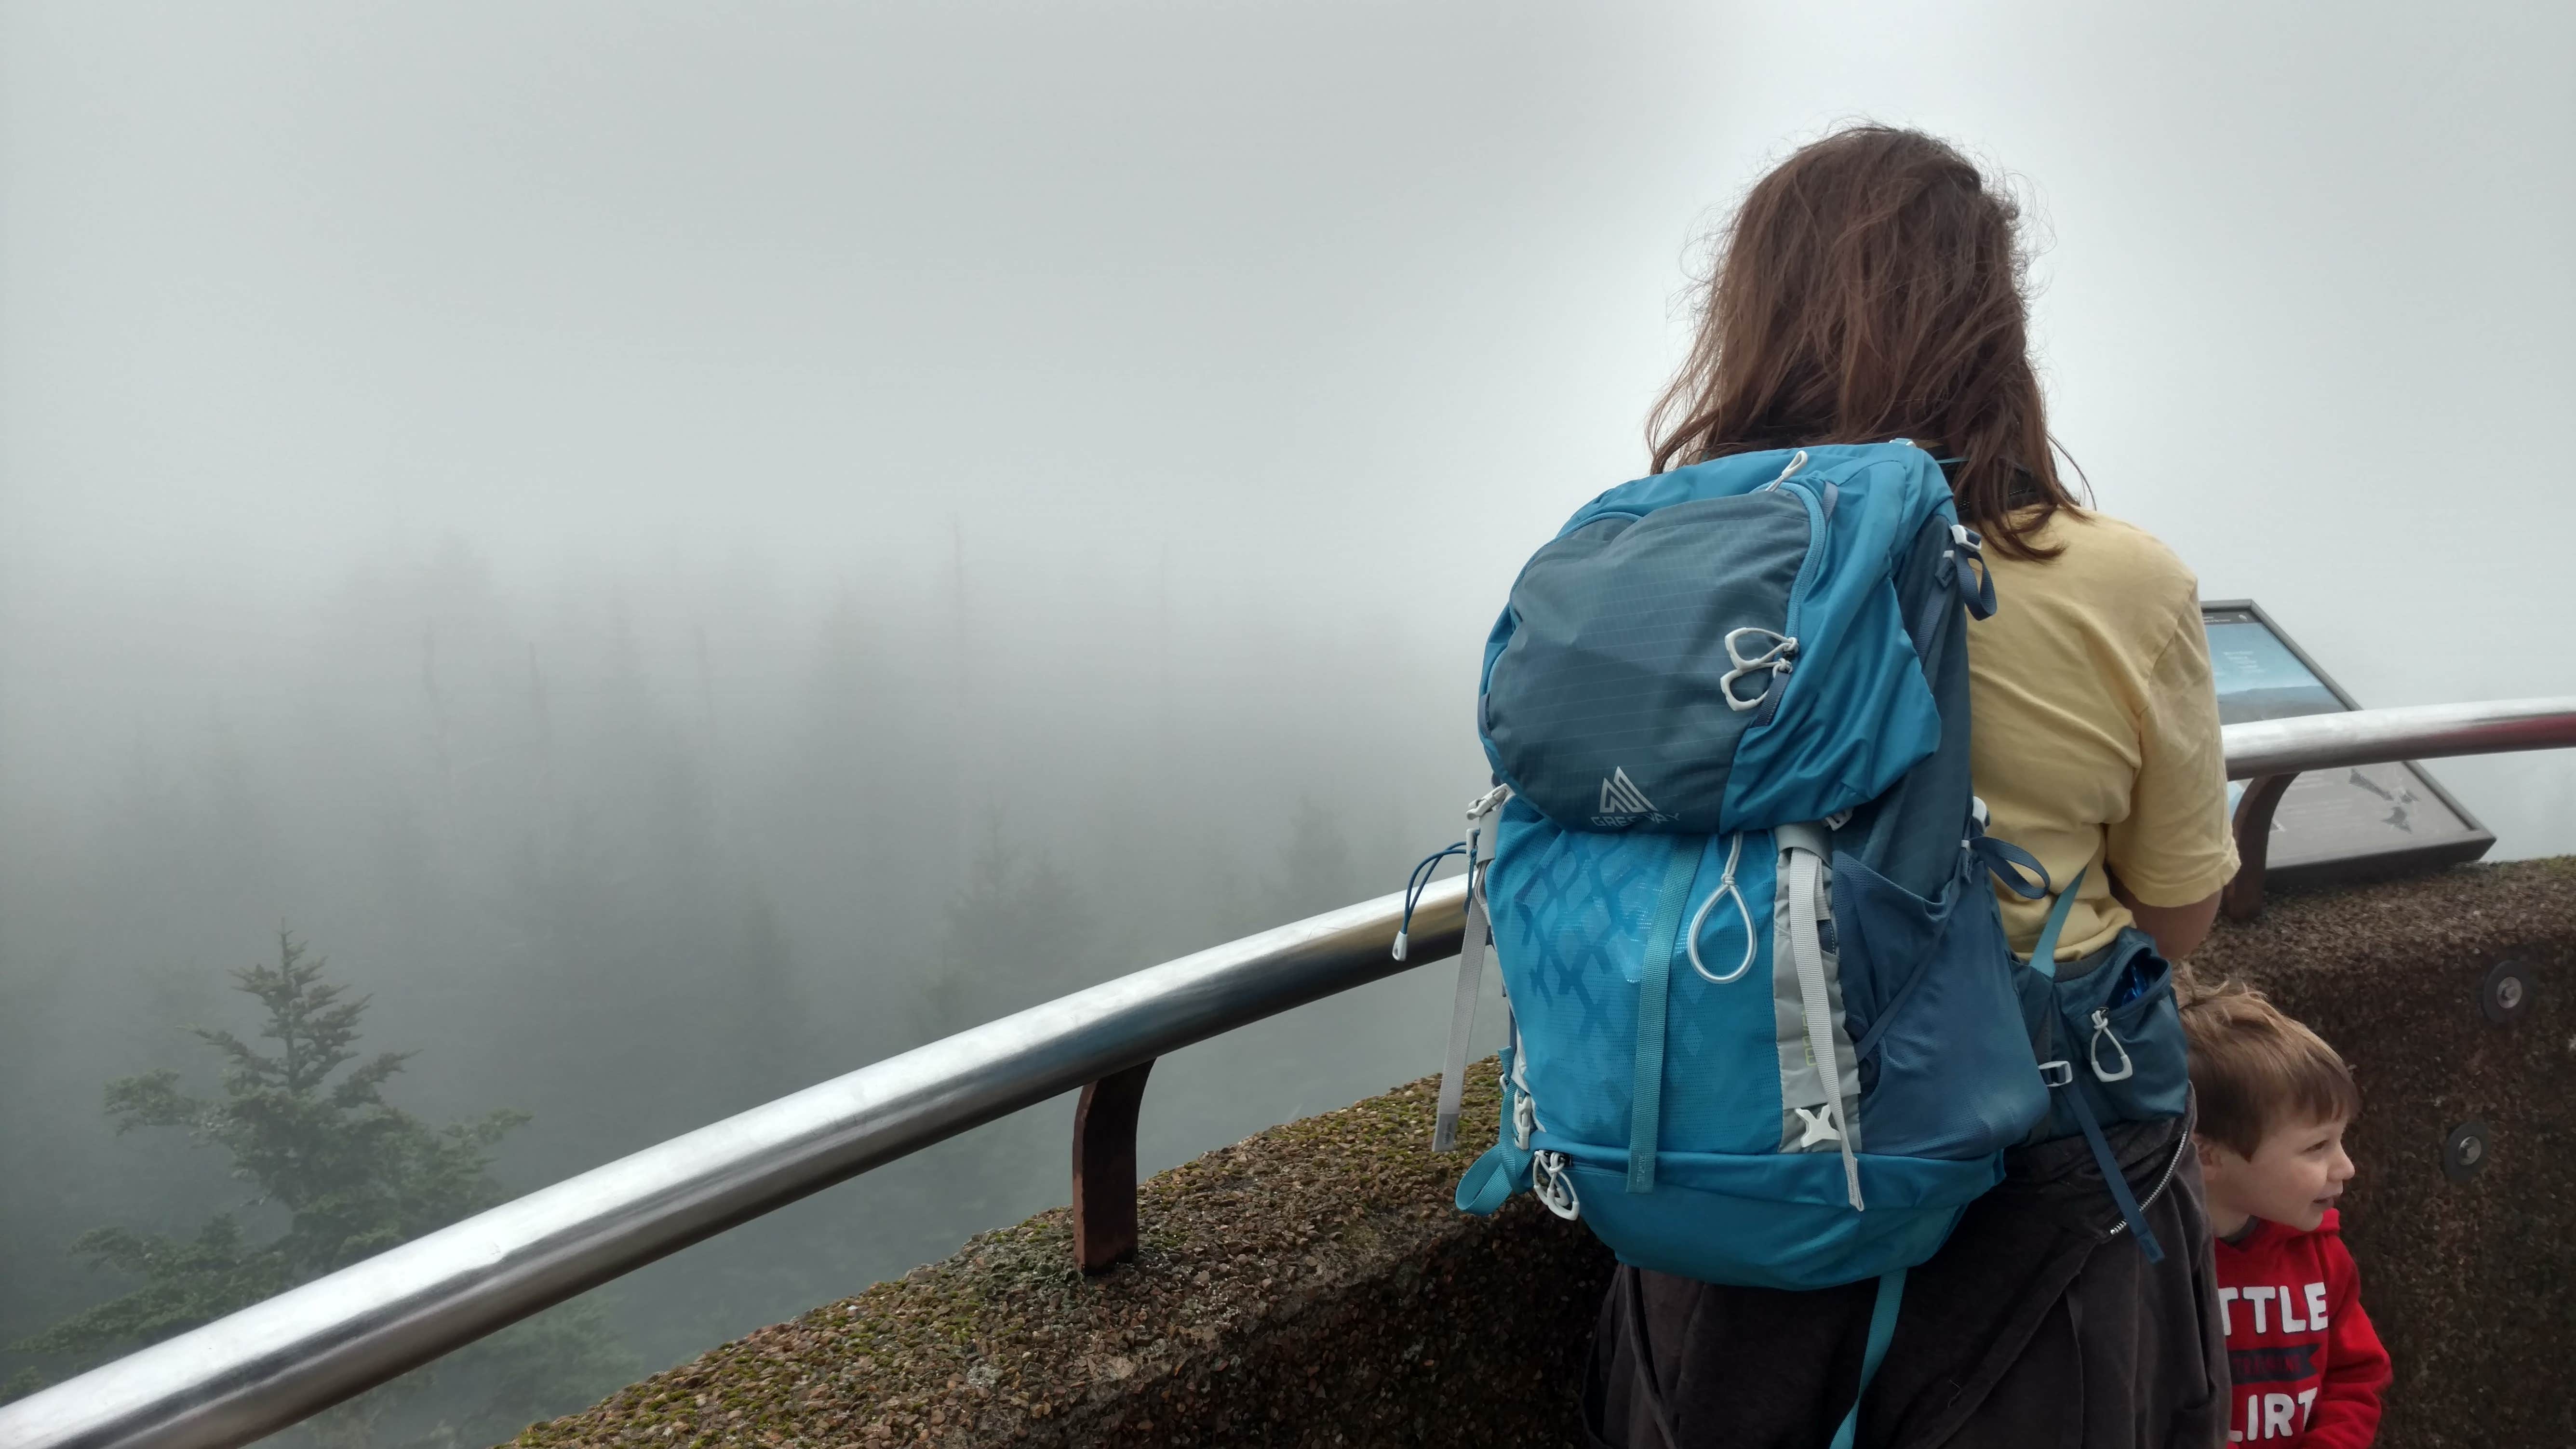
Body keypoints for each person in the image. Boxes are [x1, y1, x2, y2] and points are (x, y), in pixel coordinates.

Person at [1582, 125, 2242, 1447]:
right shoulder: (2122, 583)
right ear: (1992, 328)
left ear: (1750, 314)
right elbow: (2176, 919)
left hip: (1708, 1176)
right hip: (2033, 1200)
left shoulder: (1640, 565)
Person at [2180, 986, 2390, 1447]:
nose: (2347, 1167)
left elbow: (2357, 1375)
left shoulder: (2321, 1253)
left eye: (2339, 1140)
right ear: (2207, 1157)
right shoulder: (2154, 1272)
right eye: (2317, 1147)